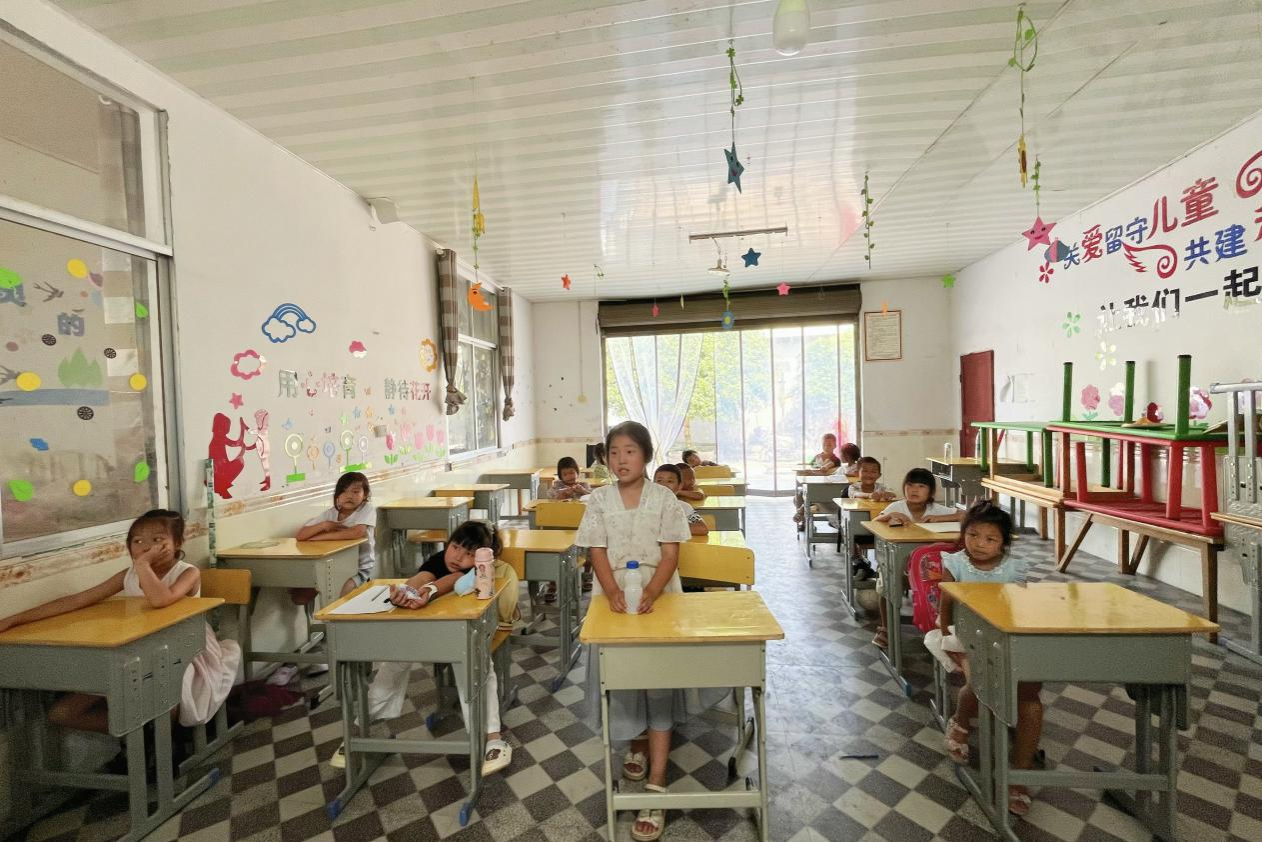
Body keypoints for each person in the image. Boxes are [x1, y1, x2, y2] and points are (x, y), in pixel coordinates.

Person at [0, 510, 240, 733]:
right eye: (137, 541)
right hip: (138, 649)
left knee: (167, 709)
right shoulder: (128, 576)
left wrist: (143, 564)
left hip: (184, 650)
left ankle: (152, 739)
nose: (146, 547)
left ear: (177, 543)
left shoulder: (187, 572)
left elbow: (160, 599)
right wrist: (16, 619)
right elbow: (78, 599)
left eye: (157, 540)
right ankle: (140, 736)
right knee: (61, 713)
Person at [576, 421, 695, 842]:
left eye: (629, 451)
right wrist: (612, 591)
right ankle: (636, 742)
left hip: (657, 594)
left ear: (645, 455)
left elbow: (670, 554)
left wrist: (650, 592)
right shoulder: (598, 499)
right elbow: (596, 551)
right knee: (622, 676)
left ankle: (657, 783)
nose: (620, 459)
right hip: (611, 594)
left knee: (658, 680)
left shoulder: (664, 498)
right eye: (613, 452)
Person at [328, 521, 517, 775]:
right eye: (455, 547)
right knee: (391, 665)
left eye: (469, 553)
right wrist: (406, 590)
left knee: (478, 668)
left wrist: (428, 591)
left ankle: (493, 738)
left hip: (467, 634)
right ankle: (358, 731)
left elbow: (451, 580)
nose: (458, 557)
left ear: (482, 555)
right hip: (425, 632)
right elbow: (424, 576)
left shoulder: (482, 570)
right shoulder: (439, 560)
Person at [933, 502, 1039, 817]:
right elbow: (946, 606)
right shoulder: (956, 563)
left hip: (1005, 639)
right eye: (973, 535)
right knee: (980, 681)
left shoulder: (1014, 568)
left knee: (1031, 698)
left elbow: (1021, 607)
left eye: (990, 539)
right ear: (963, 533)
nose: (979, 544)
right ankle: (961, 721)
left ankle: (1020, 774)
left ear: (1003, 542)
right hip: (965, 638)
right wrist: (948, 638)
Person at [869, 468, 960, 649]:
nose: (914, 490)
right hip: (897, 565)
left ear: (931, 491)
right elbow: (874, 523)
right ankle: (886, 628)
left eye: (921, 486)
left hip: (928, 569)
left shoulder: (935, 509)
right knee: (886, 583)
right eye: (910, 485)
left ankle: (941, 626)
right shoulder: (897, 506)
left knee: (949, 583)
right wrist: (890, 516)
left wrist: (941, 518)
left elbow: (963, 515)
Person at [654, 464, 709, 536]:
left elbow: (702, 528)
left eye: (670, 481)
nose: (664, 485)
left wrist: (667, 529)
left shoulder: (684, 507)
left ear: (679, 486)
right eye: (659, 481)